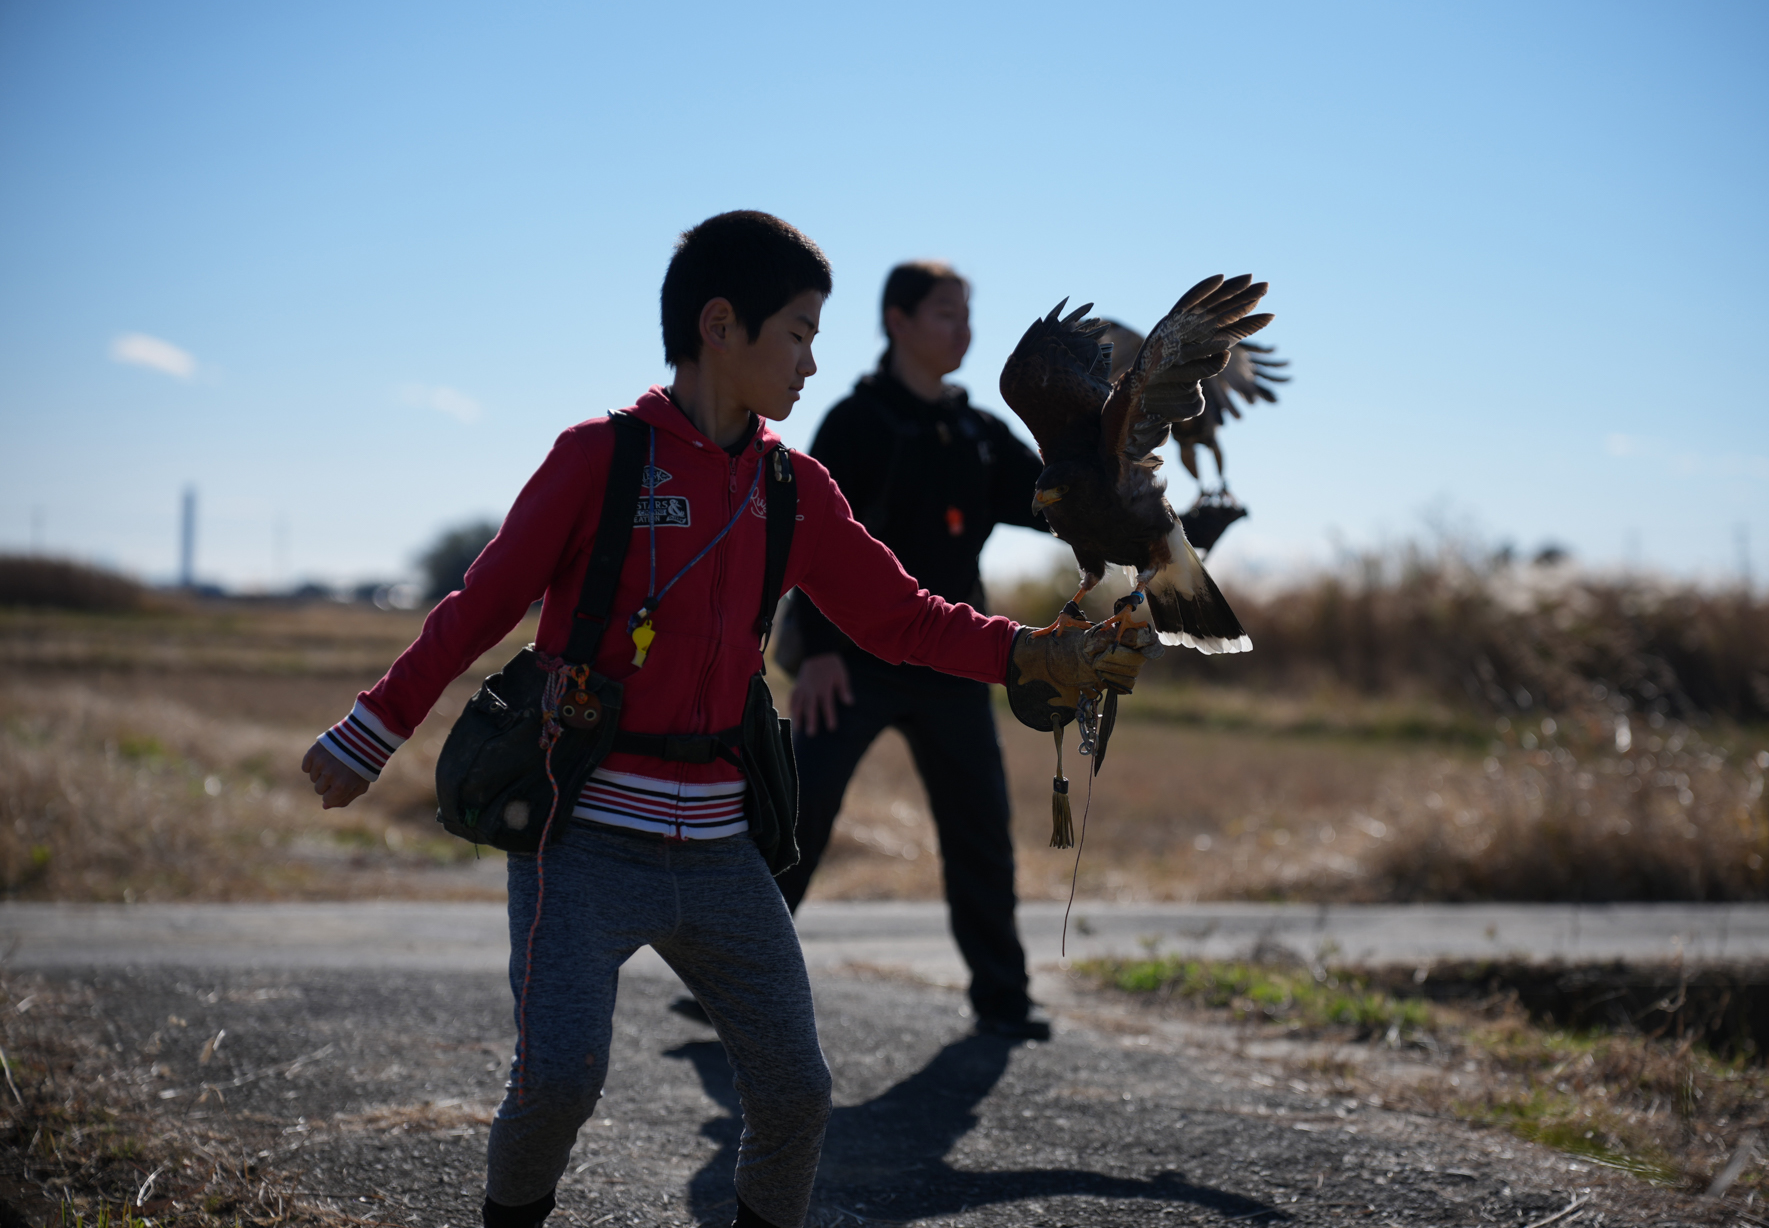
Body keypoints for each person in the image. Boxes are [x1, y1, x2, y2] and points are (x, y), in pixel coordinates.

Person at [298, 212, 1154, 1228]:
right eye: (797, 330)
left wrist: (1031, 650)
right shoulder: (596, 459)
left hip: (721, 851)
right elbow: (476, 607)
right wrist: (370, 729)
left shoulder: (795, 487)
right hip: (579, 837)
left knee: (797, 1094)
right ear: (719, 323)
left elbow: (901, 615)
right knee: (559, 1080)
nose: (812, 358)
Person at [777, 262, 1056, 1040]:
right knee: (796, 822)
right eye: (944, 314)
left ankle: (1003, 999)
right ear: (896, 320)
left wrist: (1168, 527)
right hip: (849, 666)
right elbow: (807, 545)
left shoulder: (976, 431)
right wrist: (821, 653)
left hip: (954, 662)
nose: (963, 330)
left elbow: (1057, 505)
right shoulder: (854, 423)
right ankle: (731, 981)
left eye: (967, 315)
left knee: (981, 833)